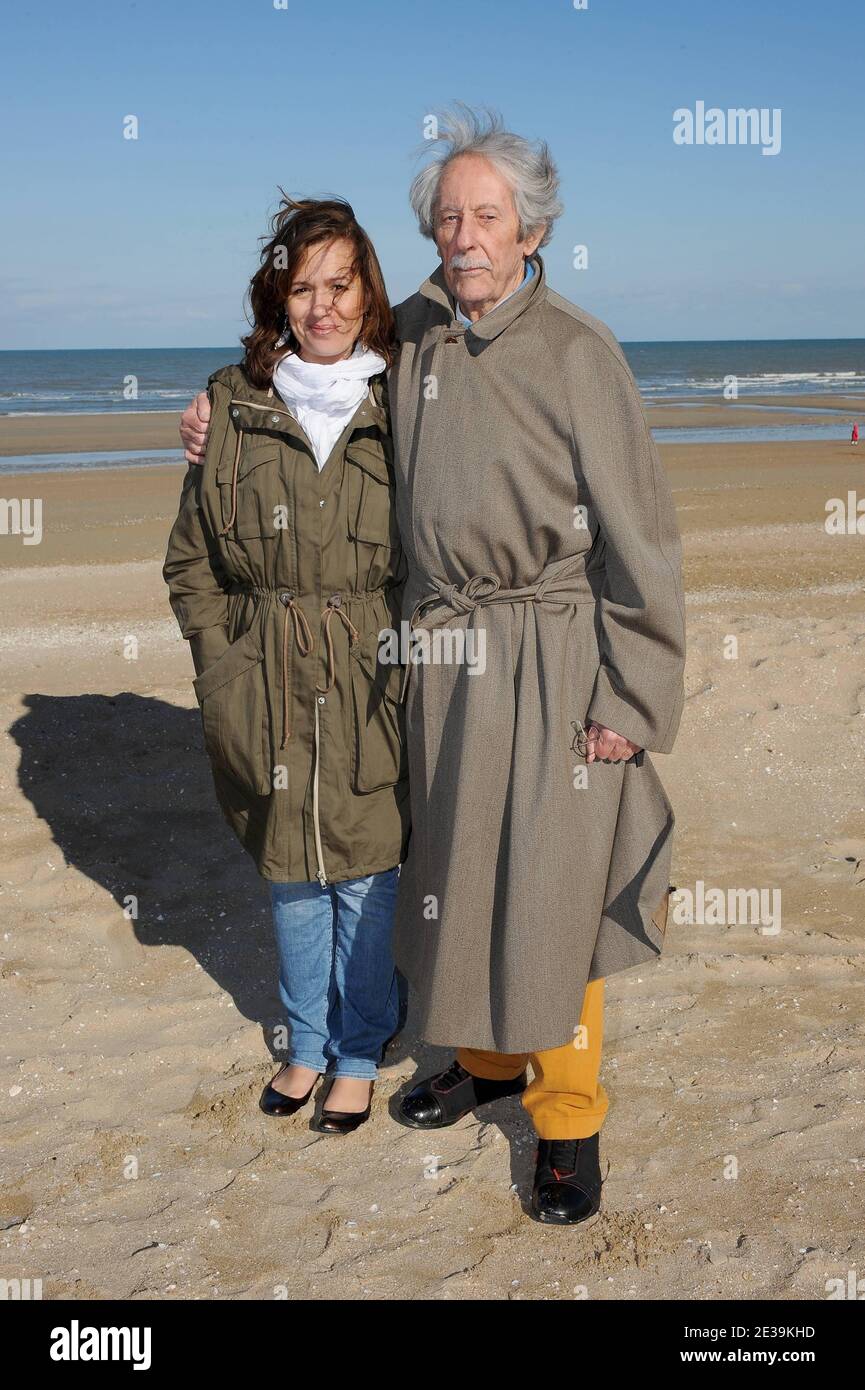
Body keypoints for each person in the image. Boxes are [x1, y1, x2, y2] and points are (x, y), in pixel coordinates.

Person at [179, 107, 686, 1226]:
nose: (465, 233)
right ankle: (489, 1063)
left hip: (552, 653)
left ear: (531, 225)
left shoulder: (578, 350)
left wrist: (630, 698)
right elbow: (304, 369)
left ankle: (565, 1122)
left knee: (551, 890)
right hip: (435, 653)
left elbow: (643, 538)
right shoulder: (409, 333)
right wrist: (217, 407)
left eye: (487, 215)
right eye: (447, 215)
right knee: (457, 877)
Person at [164, 196, 410, 1134]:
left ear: (367, 291)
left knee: (365, 866)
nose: (322, 307)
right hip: (260, 668)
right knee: (293, 871)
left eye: (339, 285)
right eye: (301, 288)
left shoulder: (406, 400)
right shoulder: (231, 402)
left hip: (371, 668)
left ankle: (360, 1048)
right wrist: (220, 663)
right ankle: (306, 1044)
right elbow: (192, 560)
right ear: (278, 297)